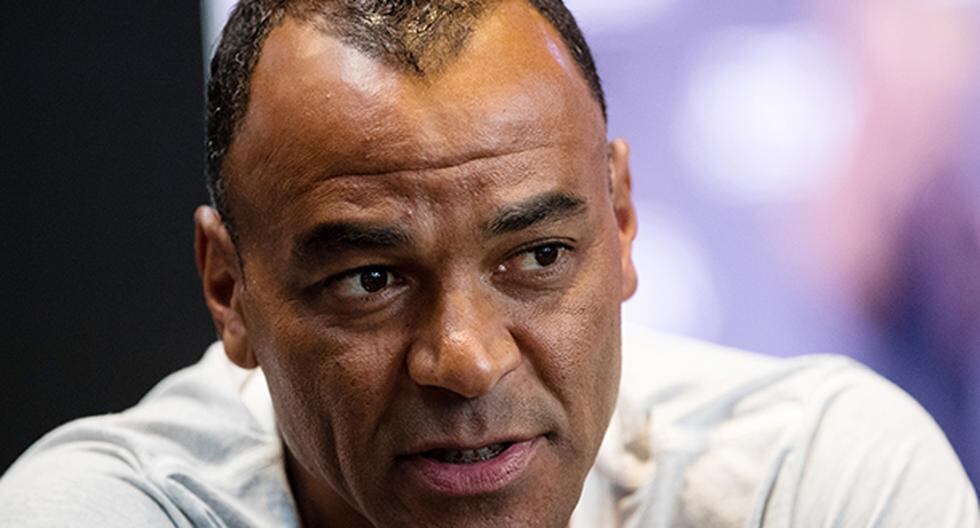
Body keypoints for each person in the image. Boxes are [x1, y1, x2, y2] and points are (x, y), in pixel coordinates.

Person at [0, 0, 976, 526]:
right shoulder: (99, 512)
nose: (464, 359)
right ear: (230, 291)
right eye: (369, 279)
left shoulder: (809, 483)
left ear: (621, 221)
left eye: (537, 255)